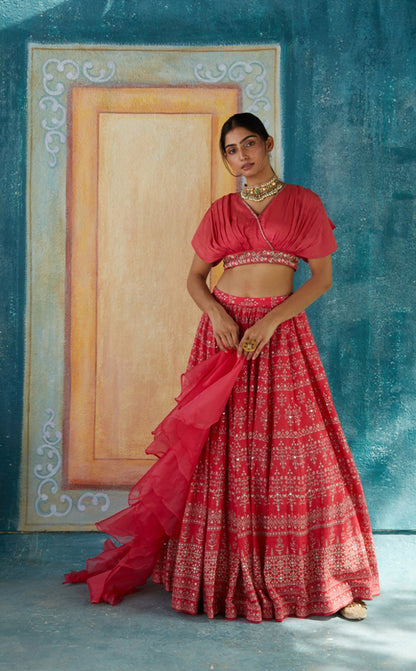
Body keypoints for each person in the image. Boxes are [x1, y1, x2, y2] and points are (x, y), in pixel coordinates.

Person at [65, 113, 379, 623]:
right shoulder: (221, 211)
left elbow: (319, 279)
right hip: (225, 336)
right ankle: (216, 574)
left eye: (249, 144)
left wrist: (272, 321)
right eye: (231, 150)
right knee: (219, 451)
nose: (242, 156)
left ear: (268, 143)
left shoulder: (303, 203)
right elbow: (194, 278)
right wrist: (216, 313)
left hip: (279, 335)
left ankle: (325, 576)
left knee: (296, 448)